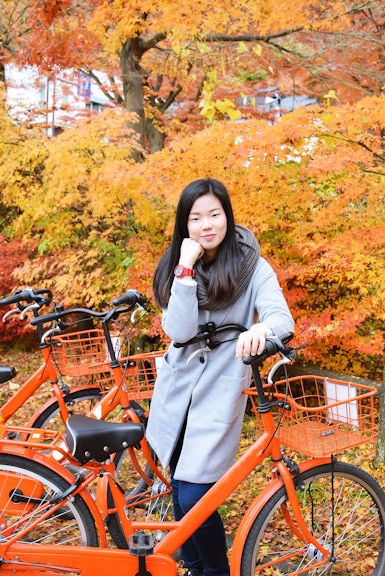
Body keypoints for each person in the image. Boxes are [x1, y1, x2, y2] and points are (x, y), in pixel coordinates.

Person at [146, 178, 294, 576]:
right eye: (196, 218)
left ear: (227, 216)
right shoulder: (178, 265)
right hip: (176, 392)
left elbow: (281, 317)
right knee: (179, 487)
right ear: (184, 224)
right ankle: (194, 566)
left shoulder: (252, 266)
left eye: (215, 214)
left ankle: (213, 571)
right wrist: (185, 268)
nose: (207, 225)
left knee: (196, 494)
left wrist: (262, 330)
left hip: (217, 393)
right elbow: (179, 331)